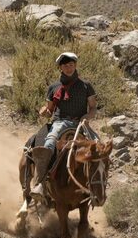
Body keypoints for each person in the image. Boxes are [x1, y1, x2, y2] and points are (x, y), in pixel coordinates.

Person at [29, 51, 97, 201]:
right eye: (65, 65)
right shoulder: (54, 87)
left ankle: (97, 185)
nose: (69, 68)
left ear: (75, 65)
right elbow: (50, 110)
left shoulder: (86, 86)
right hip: (60, 122)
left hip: (80, 123)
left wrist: (87, 117)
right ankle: (40, 183)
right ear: (60, 67)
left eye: (71, 65)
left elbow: (93, 107)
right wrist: (44, 111)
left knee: (98, 146)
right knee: (49, 142)